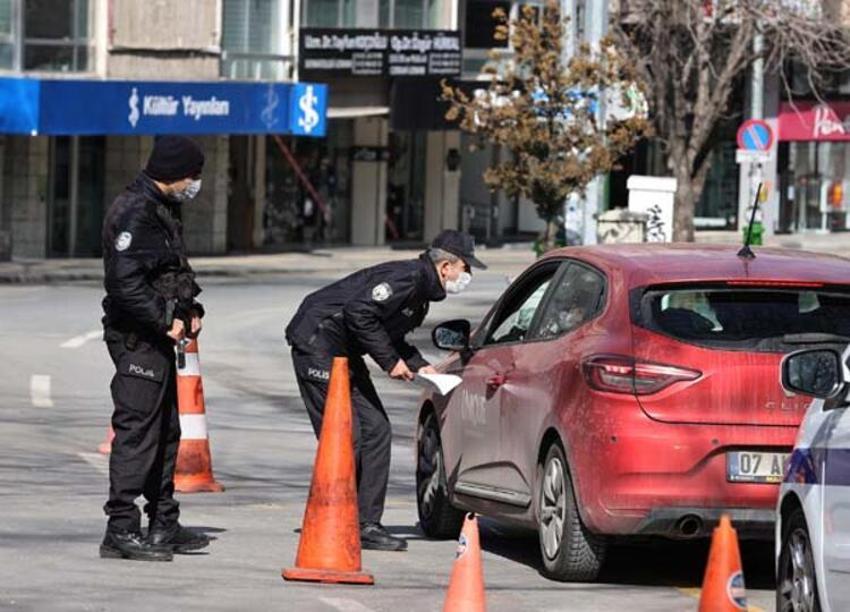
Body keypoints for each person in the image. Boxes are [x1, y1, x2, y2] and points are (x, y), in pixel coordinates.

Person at [285, 230, 486, 551]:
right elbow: (359, 313)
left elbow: (388, 332)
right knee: (344, 436)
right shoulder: (408, 278)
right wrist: (390, 362)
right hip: (318, 343)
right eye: (467, 268)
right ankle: (334, 516)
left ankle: (366, 524)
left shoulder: (421, 291)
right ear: (447, 266)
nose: (468, 276)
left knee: (377, 430)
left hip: (343, 351)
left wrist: (422, 366)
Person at [99, 135, 210, 561]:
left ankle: (163, 522)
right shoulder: (135, 211)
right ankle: (121, 529)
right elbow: (124, 283)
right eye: (193, 175)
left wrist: (189, 306)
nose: (195, 183)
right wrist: (165, 318)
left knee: (167, 434)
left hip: (158, 337)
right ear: (173, 172)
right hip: (138, 337)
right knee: (138, 433)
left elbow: (169, 270)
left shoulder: (164, 207)